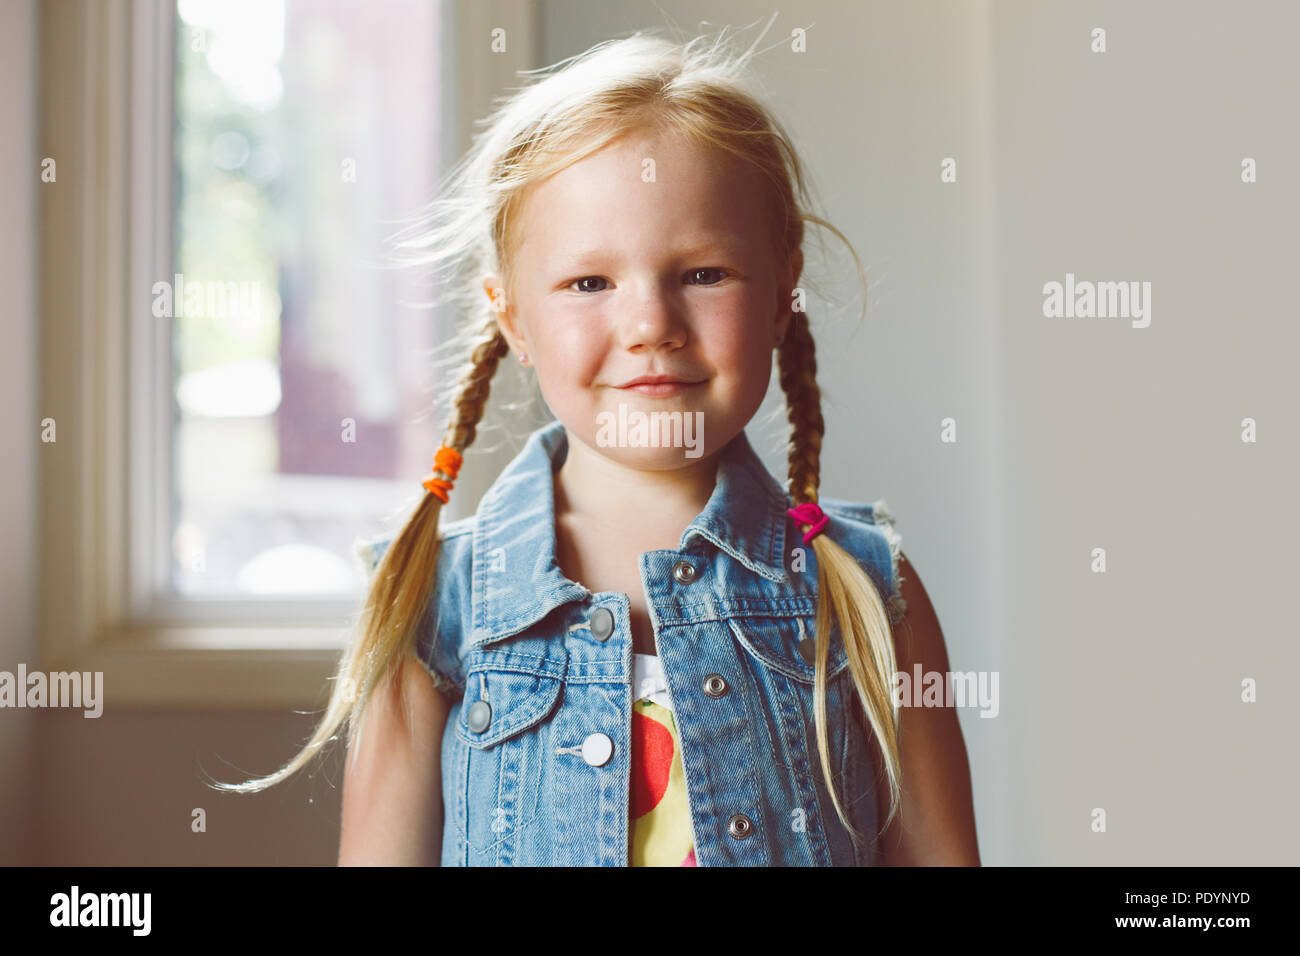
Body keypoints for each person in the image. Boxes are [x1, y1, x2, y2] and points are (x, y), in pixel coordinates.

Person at [213, 24, 980, 868]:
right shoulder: (433, 608)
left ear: (779, 293)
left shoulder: (872, 595)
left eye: (704, 274)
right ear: (513, 319)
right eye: (589, 283)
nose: (650, 323)